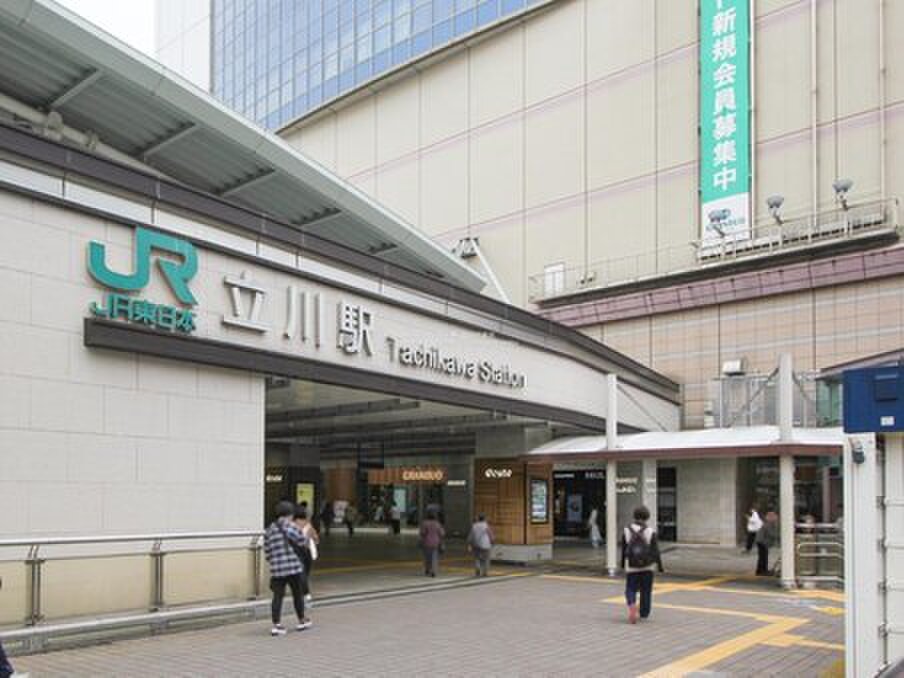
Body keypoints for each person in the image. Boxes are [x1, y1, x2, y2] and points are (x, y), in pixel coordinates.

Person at [264, 500, 310, 636]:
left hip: (277, 569)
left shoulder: (270, 529)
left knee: (277, 596)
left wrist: (275, 561)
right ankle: (302, 620)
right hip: (293, 567)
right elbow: (302, 540)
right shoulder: (290, 526)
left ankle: (276, 625)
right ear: (290, 514)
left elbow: (267, 551)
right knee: (297, 594)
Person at [620, 505, 664, 624]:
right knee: (646, 590)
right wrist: (660, 567)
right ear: (647, 517)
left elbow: (624, 549)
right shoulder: (650, 531)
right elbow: (655, 551)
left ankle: (632, 604)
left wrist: (623, 564)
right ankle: (644, 612)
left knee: (630, 588)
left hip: (632, 566)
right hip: (647, 566)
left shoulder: (626, 530)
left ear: (634, 516)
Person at [293, 505, 320, 605]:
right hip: (306, 551)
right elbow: (316, 539)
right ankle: (305, 594)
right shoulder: (308, 525)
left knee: (301, 573)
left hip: (296, 551)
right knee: (305, 573)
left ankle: (304, 593)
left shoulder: (291, 525)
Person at [419, 509, 445, 577]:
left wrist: (421, 540)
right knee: (434, 558)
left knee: (427, 557)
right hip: (436, 543)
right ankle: (434, 571)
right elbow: (442, 533)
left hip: (426, 543)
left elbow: (422, 533)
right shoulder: (437, 524)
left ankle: (427, 569)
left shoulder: (424, 523)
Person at [756, 511, 779, 576]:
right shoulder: (768, 524)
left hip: (762, 541)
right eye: (774, 517)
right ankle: (762, 571)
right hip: (762, 542)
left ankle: (760, 570)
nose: (776, 518)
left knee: (763, 556)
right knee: (763, 557)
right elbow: (771, 533)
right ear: (770, 518)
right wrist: (779, 536)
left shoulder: (770, 524)